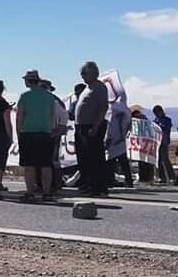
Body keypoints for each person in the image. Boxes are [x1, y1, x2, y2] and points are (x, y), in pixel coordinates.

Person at [16, 70, 55, 202]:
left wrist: (18, 132)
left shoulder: (25, 96)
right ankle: (47, 192)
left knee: (29, 165)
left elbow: (19, 116)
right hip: (45, 133)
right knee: (46, 165)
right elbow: (52, 116)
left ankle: (30, 192)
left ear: (27, 81)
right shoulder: (49, 96)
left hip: (28, 133)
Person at [75, 62, 109, 197]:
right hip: (82, 126)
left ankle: (98, 187)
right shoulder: (87, 88)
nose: (82, 76)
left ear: (94, 73)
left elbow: (103, 107)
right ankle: (88, 184)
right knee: (84, 158)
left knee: (94, 157)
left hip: (92, 126)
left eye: (85, 73)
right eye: (81, 74)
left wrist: (96, 126)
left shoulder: (99, 87)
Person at [41, 79, 69, 193]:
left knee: (52, 160)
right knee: (47, 159)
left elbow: (63, 116)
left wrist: (58, 130)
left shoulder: (54, 101)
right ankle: (46, 183)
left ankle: (55, 183)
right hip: (44, 132)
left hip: (52, 133)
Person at [106, 98, 133, 187]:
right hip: (117, 138)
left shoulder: (115, 109)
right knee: (119, 161)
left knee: (115, 161)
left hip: (116, 137)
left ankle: (112, 180)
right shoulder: (122, 108)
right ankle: (126, 180)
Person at [153, 105, 175, 184]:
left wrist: (159, 125)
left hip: (164, 142)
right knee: (158, 161)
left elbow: (166, 128)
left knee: (165, 160)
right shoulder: (155, 120)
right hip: (157, 143)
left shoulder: (167, 120)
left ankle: (172, 177)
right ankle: (162, 177)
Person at [131, 109, 154, 183]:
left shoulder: (142, 122)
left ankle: (145, 178)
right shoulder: (146, 121)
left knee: (144, 162)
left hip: (145, 144)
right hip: (144, 144)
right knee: (144, 162)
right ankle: (147, 178)